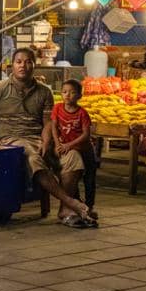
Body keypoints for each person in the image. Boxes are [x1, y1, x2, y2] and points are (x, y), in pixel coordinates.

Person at [0, 47, 97, 227]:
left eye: (28, 62)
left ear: (34, 65)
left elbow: (48, 122)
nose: (23, 66)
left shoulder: (44, 91)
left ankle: (65, 210)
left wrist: (47, 142)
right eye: (19, 62)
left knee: (72, 157)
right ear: (12, 66)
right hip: (12, 140)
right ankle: (72, 203)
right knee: (32, 156)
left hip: (40, 138)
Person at [51, 79, 98, 210]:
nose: (67, 95)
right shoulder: (57, 108)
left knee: (89, 178)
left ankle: (90, 205)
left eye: (72, 93)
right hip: (68, 149)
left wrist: (69, 145)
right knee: (72, 175)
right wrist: (57, 143)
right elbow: (54, 127)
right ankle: (76, 202)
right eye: (64, 92)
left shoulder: (82, 113)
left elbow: (85, 135)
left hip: (85, 150)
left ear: (79, 96)